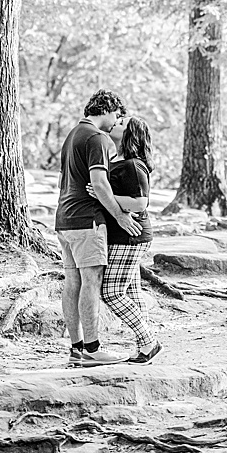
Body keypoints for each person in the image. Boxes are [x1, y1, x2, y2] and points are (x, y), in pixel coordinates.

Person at [54, 89, 141, 365]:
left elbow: (62, 180)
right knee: (91, 281)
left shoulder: (72, 135)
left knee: (73, 283)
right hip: (87, 221)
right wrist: (120, 217)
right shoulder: (98, 138)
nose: (117, 122)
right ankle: (93, 349)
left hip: (64, 220)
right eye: (117, 115)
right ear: (106, 109)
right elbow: (100, 184)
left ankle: (77, 346)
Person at [92, 116, 162, 363]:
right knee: (132, 292)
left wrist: (103, 195)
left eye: (122, 122)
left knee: (111, 292)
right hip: (124, 235)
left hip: (129, 236)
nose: (115, 123)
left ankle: (149, 341)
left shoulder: (133, 165)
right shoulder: (120, 161)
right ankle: (143, 347)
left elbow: (140, 203)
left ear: (130, 133)